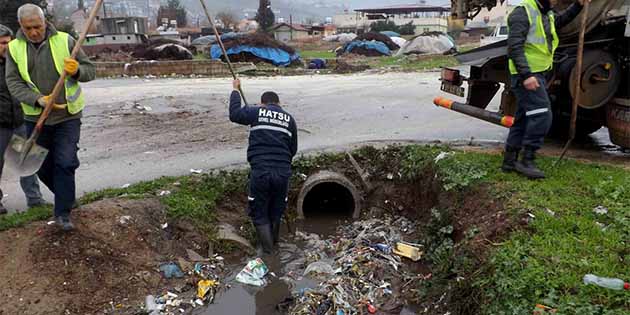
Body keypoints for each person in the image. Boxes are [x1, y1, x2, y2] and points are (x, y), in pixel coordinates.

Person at [5, 4, 95, 230]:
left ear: (45, 22)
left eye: (37, 26)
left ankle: (62, 214)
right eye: (29, 28)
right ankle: (67, 195)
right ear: (21, 27)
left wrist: (76, 71)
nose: (34, 32)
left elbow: (90, 71)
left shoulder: (65, 41)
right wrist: (37, 99)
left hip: (67, 115)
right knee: (39, 166)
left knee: (64, 162)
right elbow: (13, 82)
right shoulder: (14, 49)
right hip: (36, 118)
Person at [502, 0, 584, 179]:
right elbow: (514, 48)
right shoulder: (522, 12)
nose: (556, 0)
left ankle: (510, 160)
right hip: (527, 76)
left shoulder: (546, 13)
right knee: (542, 115)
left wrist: (578, 5)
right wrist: (526, 76)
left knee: (523, 119)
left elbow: (561, 21)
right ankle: (527, 160)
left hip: (539, 73)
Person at [229, 79, 298, 255]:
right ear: (279, 103)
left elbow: (235, 114)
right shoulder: (289, 119)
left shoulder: (256, 111)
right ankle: (274, 246)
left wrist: (236, 90)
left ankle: (269, 254)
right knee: (276, 210)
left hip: (261, 172)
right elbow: (293, 149)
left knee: (259, 213)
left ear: (262, 102)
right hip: (282, 173)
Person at [0, 24, 47, 215]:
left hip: (19, 122)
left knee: (26, 160)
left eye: (8, 43)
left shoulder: (17, 64)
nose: (6, 47)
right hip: (0, 125)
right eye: (2, 43)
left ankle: (35, 200)